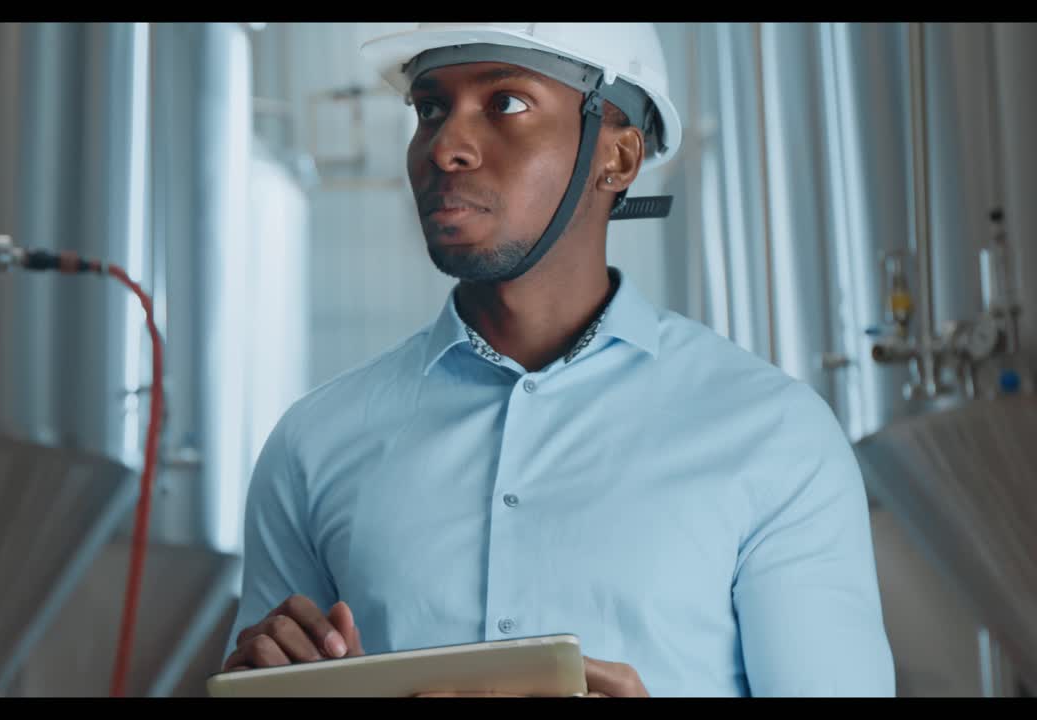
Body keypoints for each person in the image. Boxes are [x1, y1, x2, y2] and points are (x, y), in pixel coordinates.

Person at [221, 22, 895, 697]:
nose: (445, 147)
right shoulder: (314, 445)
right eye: (429, 110)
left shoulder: (776, 438)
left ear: (620, 157)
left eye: (505, 104)